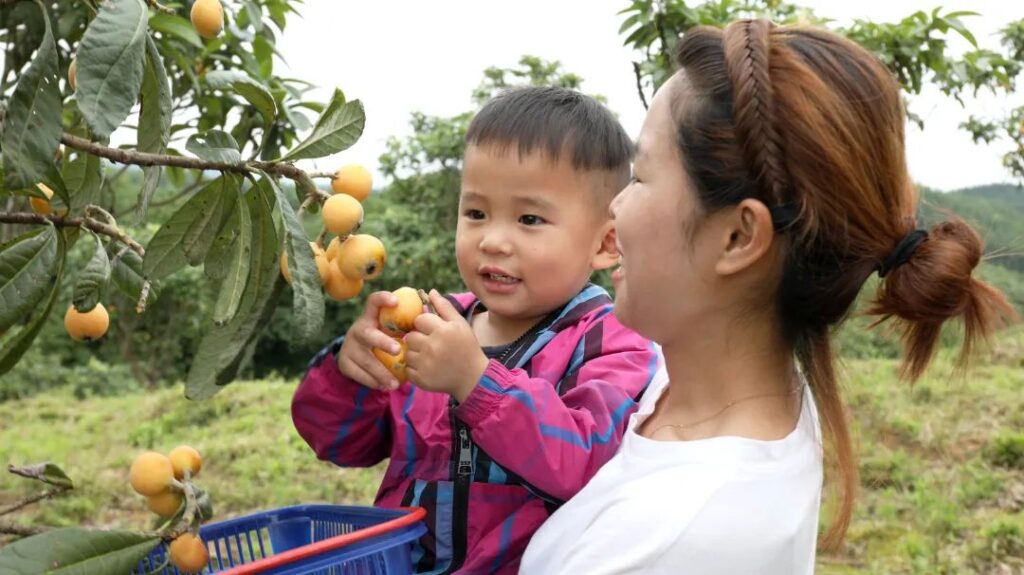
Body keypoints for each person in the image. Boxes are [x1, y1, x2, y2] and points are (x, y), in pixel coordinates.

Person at [520, 19, 1015, 574]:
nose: (614, 208)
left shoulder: (670, 538)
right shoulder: (712, 381)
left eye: (640, 177)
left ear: (738, 237)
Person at [292, 86, 660, 574]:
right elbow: (338, 444)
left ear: (606, 243)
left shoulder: (612, 339)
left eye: (529, 218)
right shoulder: (431, 324)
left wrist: (476, 382)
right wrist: (351, 373)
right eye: (476, 213)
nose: (493, 240)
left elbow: (586, 464)